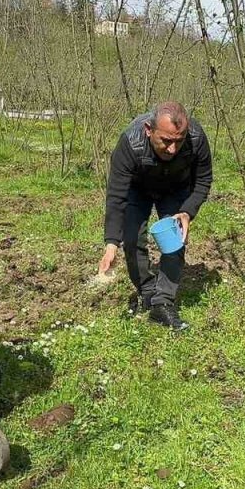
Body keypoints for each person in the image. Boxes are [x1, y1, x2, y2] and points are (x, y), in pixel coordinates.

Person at [97, 101, 213, 331]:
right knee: (131, 239)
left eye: (178, 141)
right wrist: (111, 244)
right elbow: (117, 195)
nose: (172, 149)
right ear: (149, 130)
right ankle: (148, 293)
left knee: (174, 241)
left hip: (175, 189)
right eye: (166, 141)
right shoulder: (130, 143)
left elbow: (203, 180)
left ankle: (163, 303)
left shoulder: (196, 138)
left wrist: (187, 212)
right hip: (137, 189)